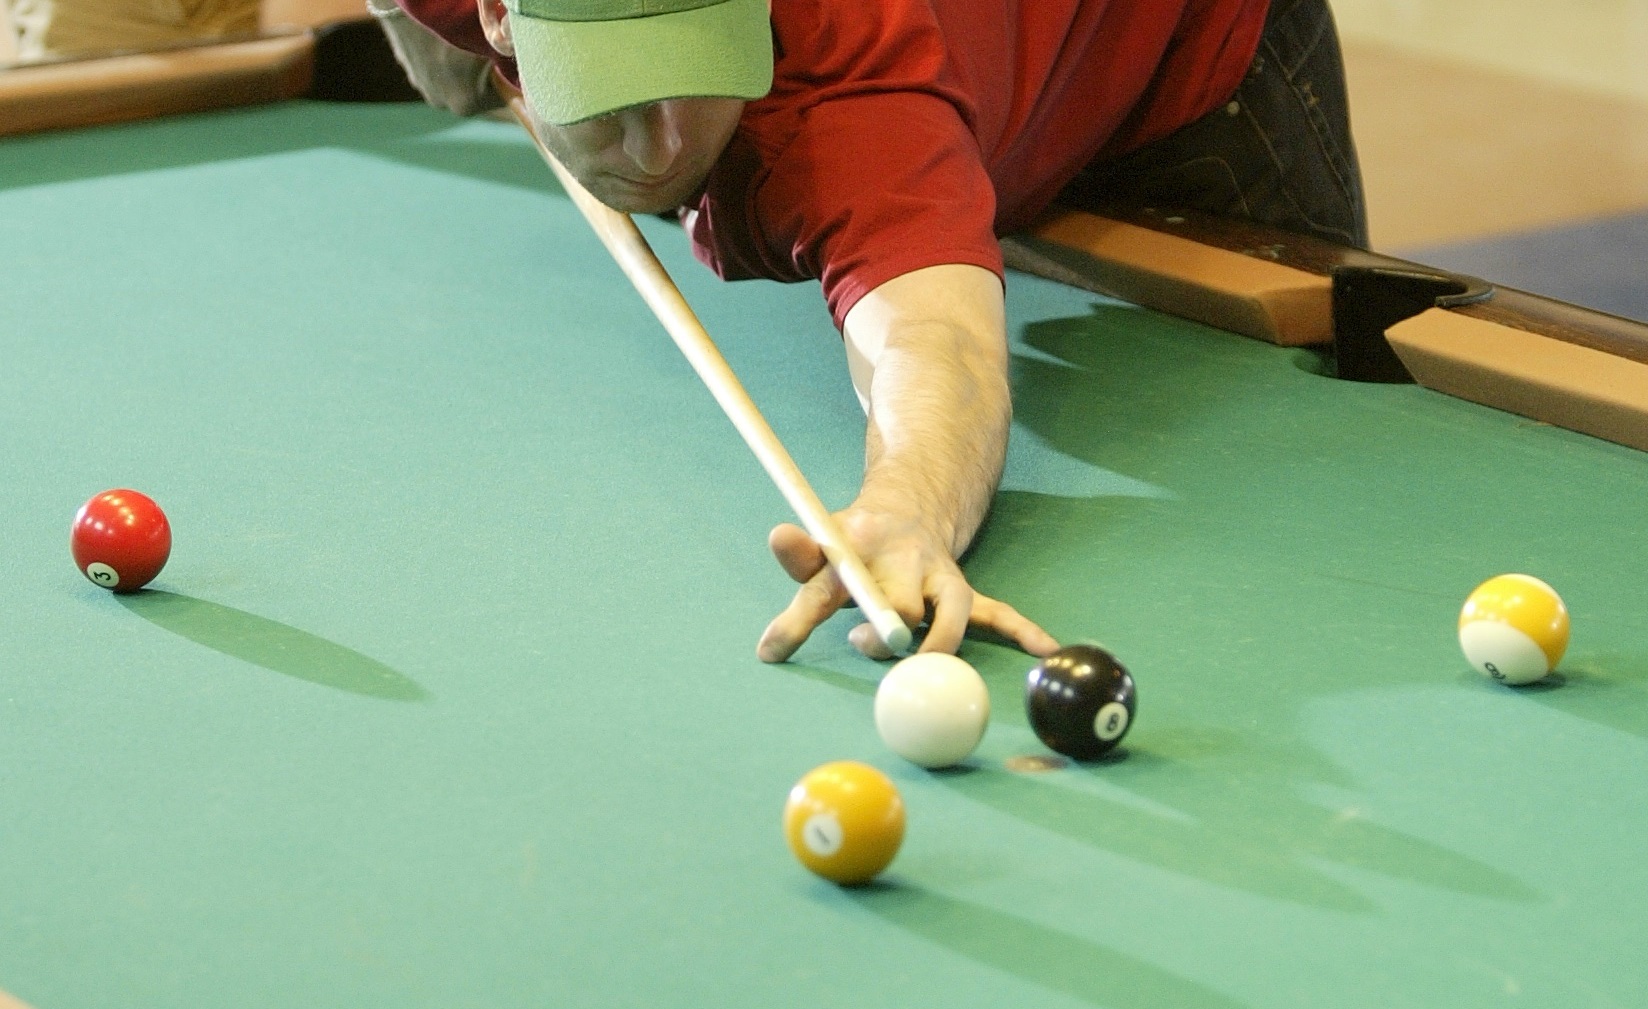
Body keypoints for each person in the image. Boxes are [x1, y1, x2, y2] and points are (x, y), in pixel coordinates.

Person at [372, 0, 1368, 663]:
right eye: (621, 84)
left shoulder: (851, 71)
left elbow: (938, 345)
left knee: (1313, 481)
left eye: (690, 64)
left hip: (1168, 53)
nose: (663, 145)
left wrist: (908, 505)